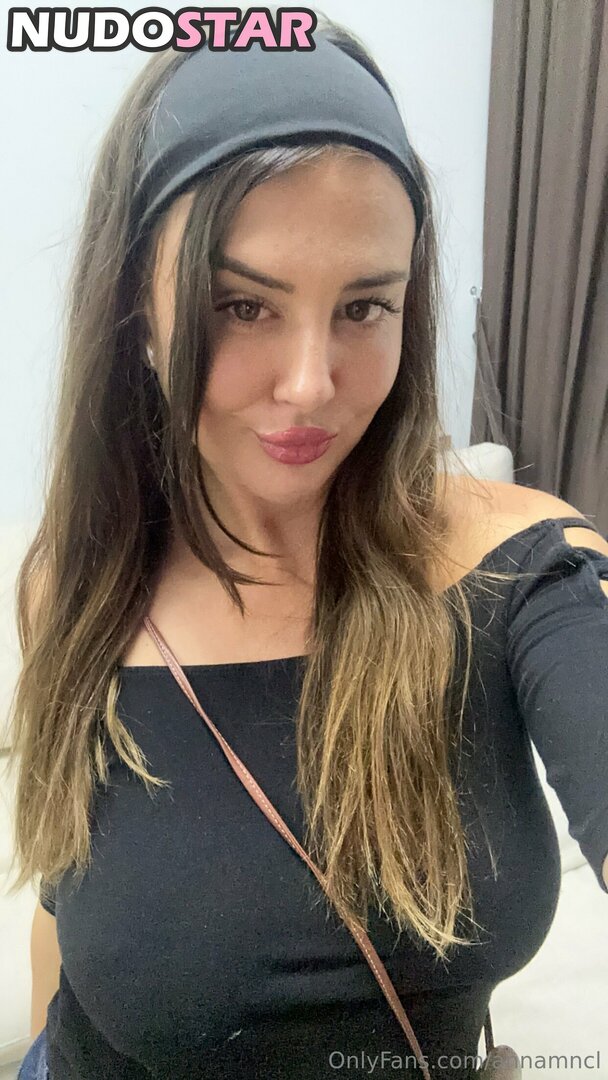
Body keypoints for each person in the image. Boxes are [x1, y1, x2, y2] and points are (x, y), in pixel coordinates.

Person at [9, 11, 608, 1080]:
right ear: (135, 305)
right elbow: (69, 905)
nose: (309, 385)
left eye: (364, 307)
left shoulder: (521, 571)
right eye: (241, 305)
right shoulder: (77, 580)